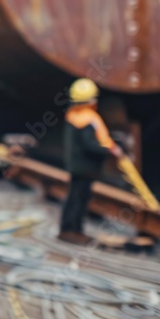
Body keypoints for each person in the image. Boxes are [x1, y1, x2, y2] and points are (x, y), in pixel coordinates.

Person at [59, 78, 124, 245]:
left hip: (77, 166)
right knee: (79, 200)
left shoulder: (74, 116)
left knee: (75, 198)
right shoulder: (87, 121)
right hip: (85, 168)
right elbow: (90, 145)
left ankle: (70, 229)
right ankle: (72, 231)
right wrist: (110, 150)